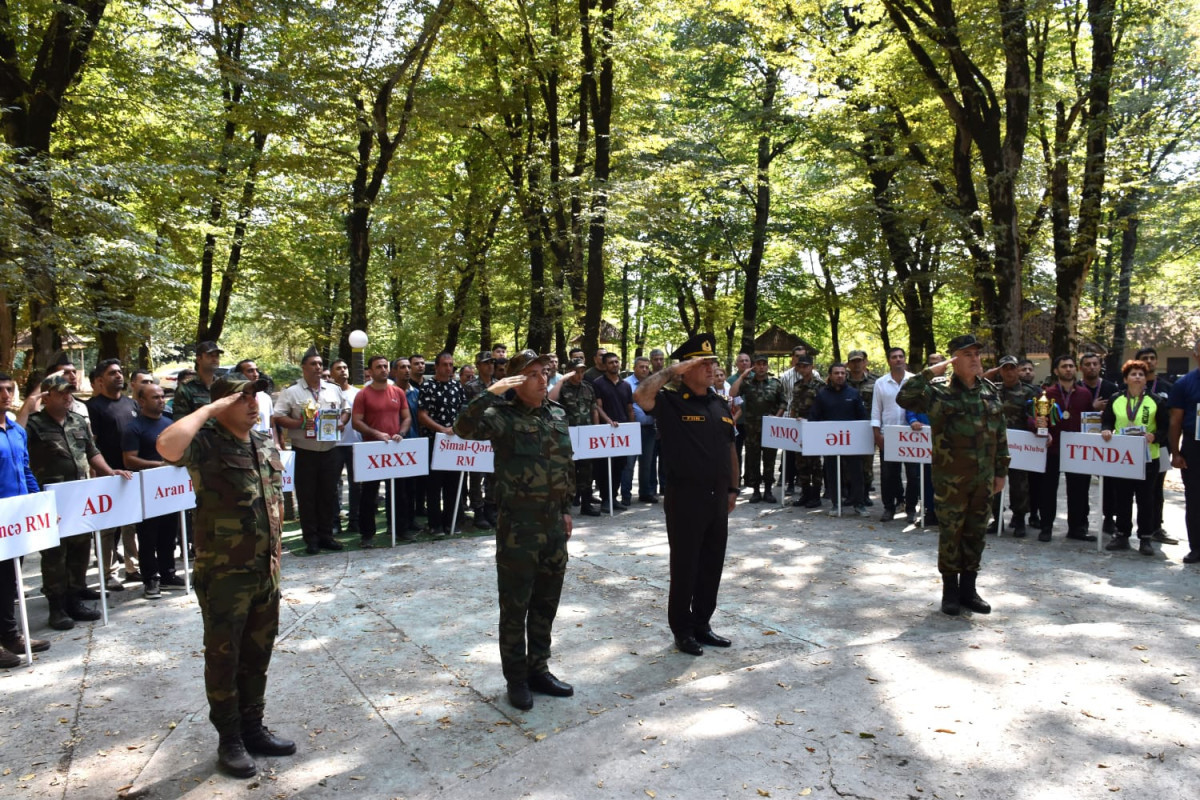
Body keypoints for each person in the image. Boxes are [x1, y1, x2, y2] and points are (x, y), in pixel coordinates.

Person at [158, 374, 295, 778]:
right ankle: (229, 739)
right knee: (224, 658)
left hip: (265, 573)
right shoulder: (206, 442)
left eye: (257, 398)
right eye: (244, 399)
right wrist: (209, 409)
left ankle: (253, 727)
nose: (255, 405)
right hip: (224, 576)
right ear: (221, 405)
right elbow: (166, 446)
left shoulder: (263, 441)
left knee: (258, 655)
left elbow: (274, 502)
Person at [453, 350, 576, 711]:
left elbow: (565, 467)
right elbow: (462, 428)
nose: (543, 379)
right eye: (534, 374)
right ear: (518, 381)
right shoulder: (499, 417)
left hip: (553, 524)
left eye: (545, 373)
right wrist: (492, 391)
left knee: (545, 603)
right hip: (518, 529)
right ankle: (517, 678)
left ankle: (539, 669)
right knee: (515, 606)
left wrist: (566, 510)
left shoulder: (557, 414)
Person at [633, 333, 737, 657]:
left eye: (712, 362)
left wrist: (734, 488)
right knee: (686, 566)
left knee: (712, 565)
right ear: (685, 368)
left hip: (718, 497)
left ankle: (703, 624)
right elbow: (640, 396)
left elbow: (730, 446)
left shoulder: (719, 403)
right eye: (701, 362)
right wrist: (670, 371)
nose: (710, 367)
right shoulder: (670, 401)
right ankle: (683, 630)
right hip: (685, 498)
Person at [897, 335, 1009, 616]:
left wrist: (1001, 472)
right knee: (951, 534)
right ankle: (950, 590)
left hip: (983, 479)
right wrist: (928, 373)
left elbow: (1001, 434)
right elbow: (904, 397)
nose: (974, 358)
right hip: (951, 479)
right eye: (967, 354)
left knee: (976, 533)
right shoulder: (937, 391)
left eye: (976, 354)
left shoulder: (989, 391)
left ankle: (969, 590)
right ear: (954, 359)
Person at [30, 374, 130, 629]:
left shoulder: (78, 421)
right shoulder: (34, 425)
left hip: (78, 497)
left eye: (69, 392)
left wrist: (110, 471)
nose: (68, 397)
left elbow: (92, 452)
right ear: (47, 396)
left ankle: (75, 598)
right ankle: (57, 607)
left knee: (80, 549)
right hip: (51, 500)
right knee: (54, 554)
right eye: (61, 393)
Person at [272, 348, 349, 554]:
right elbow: (278, 416)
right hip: (305, 451)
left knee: (328, 495)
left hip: (330, 450)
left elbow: (346, 409)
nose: (317, 368)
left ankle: (326, 536)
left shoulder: (333, 389)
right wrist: (298, 423)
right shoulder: (292, 392)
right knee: (307, 497)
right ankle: (311, 539)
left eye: (320, 364)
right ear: (303, 367)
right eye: (313, 364)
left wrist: (341, 422)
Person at [0, 373, 51, 666]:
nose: (6, 395)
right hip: (0, 517)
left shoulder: (17, 431)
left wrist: (37, 503)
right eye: (1, 391)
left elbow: (26, 470)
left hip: (16, 519)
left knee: (11, 580)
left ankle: (10, 634)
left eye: (9, 389)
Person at [1100, 359, 1169, 556]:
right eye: (1133, 374)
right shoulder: (1116, 399)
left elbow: (1165, 427)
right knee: (1122, 496)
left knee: (1146, 498)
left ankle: (1145, 538)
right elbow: (1107, 422)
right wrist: (1106, 431)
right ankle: (1122, 535)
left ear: (1145, 379)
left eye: (1140, 374)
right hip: (1122, 457)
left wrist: (1155, 436)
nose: (1137, 377)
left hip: (1149, 457)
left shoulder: (1155, 401)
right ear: (1126, 379)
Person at [122, 381, 183, 598]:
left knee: (169, 532)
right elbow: (129, 460)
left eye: (162, 396)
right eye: (155, 397)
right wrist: (159, 466)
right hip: (147, 491)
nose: (161, 400)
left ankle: (168, 574)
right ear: (141, 401)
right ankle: (151, 579)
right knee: (148, 536)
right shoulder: (133, 427)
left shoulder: (169, 423)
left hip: (170, 490)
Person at [86, 358, 140, 589]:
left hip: (131, 474)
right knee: (107, 528)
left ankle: (133, 567)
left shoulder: (131, 404)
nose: (118, 376)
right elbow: (92, 444)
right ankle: (108, 573)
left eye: (120, 372)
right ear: (99, 380)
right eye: (112, 373)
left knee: (131, 524)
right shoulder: (94, 407)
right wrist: (97, 474)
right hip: (106, 475)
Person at [352, 355, 412, 546]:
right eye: (378, 367)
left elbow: (407, 417)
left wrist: (401, 433)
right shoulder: (363, 394)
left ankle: (400, 529)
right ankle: (367, 535)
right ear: (370, 371)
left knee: (399, 492)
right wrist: (376, 434)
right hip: (372, 450)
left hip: (395, 448)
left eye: (386, 366)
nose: (383, 369)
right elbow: (356, 422)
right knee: (369, 494)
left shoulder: (398, 392)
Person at [1036, 354, 1096, 542]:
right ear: (1056, 371)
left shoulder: (1085, 394)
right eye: (1064, 366)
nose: (1068, 369)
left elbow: (1089, 420)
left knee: (1078, 489)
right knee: (1047, 489)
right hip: (1052, 448)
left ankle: (1077, 528)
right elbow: (1037, 419)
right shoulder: (1046, 394)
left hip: (1076, 450)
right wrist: (1041, 430)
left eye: (1071, 366)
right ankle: (1046, 527)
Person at [985, 356, 1039, 536]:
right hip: (995, 445)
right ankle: (997, 518)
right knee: (993, 482)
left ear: (1017, 370)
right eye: (1004, 368)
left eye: (1012, 368)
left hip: (1019, 446)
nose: (1009, 372)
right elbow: (975, 387)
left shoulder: (1029, 392)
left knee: (1019, 484)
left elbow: (1035, 416)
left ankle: (1020, 519)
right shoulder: (992, 390)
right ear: (1000, 371)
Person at [417, 351, 470, 536]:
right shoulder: (428, 387)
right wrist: (441, 429)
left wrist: (459, 429)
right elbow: (422, 415)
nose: (449, 368)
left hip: (454, 444)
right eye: (445, 365)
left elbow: (464, 411)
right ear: (437, 367)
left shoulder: (457, 387)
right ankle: (435, 525)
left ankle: (451, 522)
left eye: (451, 365)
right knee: (433, 486)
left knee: (453, 485)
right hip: (434, 443)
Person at [810, 363, 870, 516]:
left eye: (843, 373)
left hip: (852, 442)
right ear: (830, 375)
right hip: (830, 442)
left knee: (856, 473)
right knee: (832, 472)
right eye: (836, 373)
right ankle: (836, 504)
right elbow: (814, 418)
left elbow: (862, 417)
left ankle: (859, 504)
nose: (840, 376)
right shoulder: (822, 395)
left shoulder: (854, 393)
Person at [729, 354, 786, 503]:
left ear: (767, 366)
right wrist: (742, 376)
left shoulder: (776, 383)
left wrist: (777, 417)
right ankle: (755, 491)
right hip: (752, 428)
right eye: (758, 364)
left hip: (770, 428)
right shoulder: (747, 383)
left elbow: (783, 402)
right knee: (753, 459)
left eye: (764, 364)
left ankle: (768, 490)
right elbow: (732, 394)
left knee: (770, 459)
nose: (761, 367)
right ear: (754, 366)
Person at [1136, 346, 1178, 546]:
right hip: (1133, 446)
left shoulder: (1168, 387)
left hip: (1160, 445)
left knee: (1156, 488)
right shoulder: (1129, 387)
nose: (1150, 361)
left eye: (1153, 358)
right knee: (1131, 488)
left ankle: (1156, 527)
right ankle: (1124, 527)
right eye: (1145, 358)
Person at [550, 357, 602, 517]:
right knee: (567, 472)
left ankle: (586, 504)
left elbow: (594, 409)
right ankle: (565, 506)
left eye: (582, 372)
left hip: (586, 435)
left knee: (587, 471)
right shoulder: (562, 388)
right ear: (569, 372)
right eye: (576, 372)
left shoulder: (588, 387)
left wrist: (596, 430)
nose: (580, 375)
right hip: (568, 436)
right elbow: (551, 404)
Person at [1167, 340, 1200, 564]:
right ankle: (1196, 547)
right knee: (1195, 499)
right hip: (1194, 447)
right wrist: (1176, 452)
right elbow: (1175, 421)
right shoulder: (1185, 383)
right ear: (1196, 354)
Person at [1079, 351, 1119, 534]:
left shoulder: (1111, 388)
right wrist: (1091, 407)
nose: (1092, 367)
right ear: (1082, 368)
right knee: (1081, 483)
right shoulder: (1077, 388)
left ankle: (1109, 518)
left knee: (1109, 483)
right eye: (1087, 364)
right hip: (1083, 442)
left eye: (1095, 363)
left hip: (1105, 440)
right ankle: (1082, 519)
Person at [592, 352, 633, 511]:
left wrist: (632, 427)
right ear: (605, 365)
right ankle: (605, 500)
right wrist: (607, 421)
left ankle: (614, 498)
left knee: (619, 466)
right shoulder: (598, 383)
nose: (614, 365)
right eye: (610, 363)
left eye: (616, 362)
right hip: (606, 431)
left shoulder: (626, 385)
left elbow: (630, 409)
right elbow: (597, 406)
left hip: (623, 431)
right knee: (604, 467)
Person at [464, 351, 498, 531]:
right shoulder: (471, 387)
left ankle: (491, 508)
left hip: (495, 437)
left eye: (492, 362)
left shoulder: (499, 385)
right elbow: (467, 412)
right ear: (478, 366)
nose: (490, 366)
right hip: (477, 438)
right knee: (476, 476)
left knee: (494, 475)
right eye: (486, 363)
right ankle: (478, 510)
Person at [329, 359, 362, 537]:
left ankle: (355, 520)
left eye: (345, 367)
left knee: (357, 484)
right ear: (331, 373)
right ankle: (334, 522)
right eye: (338, 368)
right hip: (333, 444)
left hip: (355, 443)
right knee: (333, 485)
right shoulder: (325, 393)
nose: (342, 371)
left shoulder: (358, 393)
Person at [789, 355, 825, 509]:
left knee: (815, 464)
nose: (803, 369)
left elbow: (823, 407)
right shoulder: (797, 385)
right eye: (800, 366)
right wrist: (792, 419)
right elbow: (794, 406)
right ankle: (805, 493)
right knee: (801, 462)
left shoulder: (820, 385)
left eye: (806, 366)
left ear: (812, 367)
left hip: (814, 427)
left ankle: (816, 496)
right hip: (799, 427)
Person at [623, 356, 658, 504]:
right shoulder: (626, 384)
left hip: (649, 429)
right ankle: (625, 495)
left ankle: (645, 492)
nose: (644, 369)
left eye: (646, 367)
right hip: (631, 428)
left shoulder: (653, 383)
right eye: (641, 367)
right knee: (629, 464)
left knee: (647, 463)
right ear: (634, 367)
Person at [846, 350, 878, 503]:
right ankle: (852, 494)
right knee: (848, 463)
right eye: (853, 361)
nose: (857, 364)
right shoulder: (841, 380)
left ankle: (865, 494)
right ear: (848, 364)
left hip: (868, 428)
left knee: (866, 463)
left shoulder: (876, 381)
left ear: (865, 362)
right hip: (847, 429)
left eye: (860, 361)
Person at [173, 340, 224, 419]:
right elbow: (180, 420)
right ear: (199, 359)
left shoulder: (223, 385)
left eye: (217, 356)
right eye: (210, 355)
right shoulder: (186, 388)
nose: (214, 359)